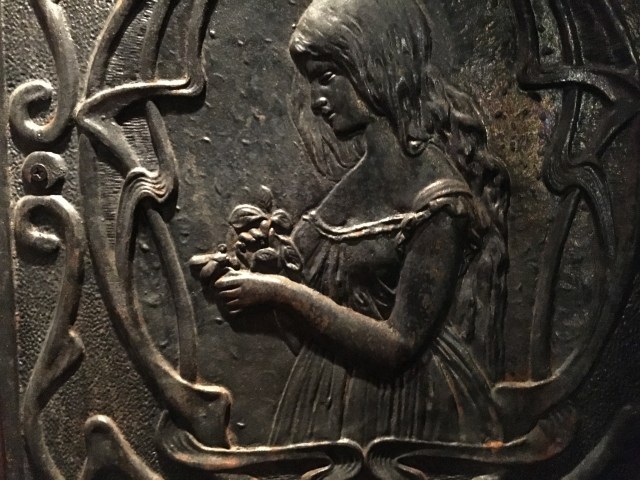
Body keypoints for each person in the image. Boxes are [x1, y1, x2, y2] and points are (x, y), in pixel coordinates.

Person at [214, 0, 510, 447]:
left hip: (408, 408)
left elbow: (399, 345)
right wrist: (258, 278)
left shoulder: (439, 196)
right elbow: (311, 329)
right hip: (328, 401)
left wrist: (281, 293)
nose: (316, 101)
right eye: (311, 81)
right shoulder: (352, 187)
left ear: (374, 66)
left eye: (326, 77)